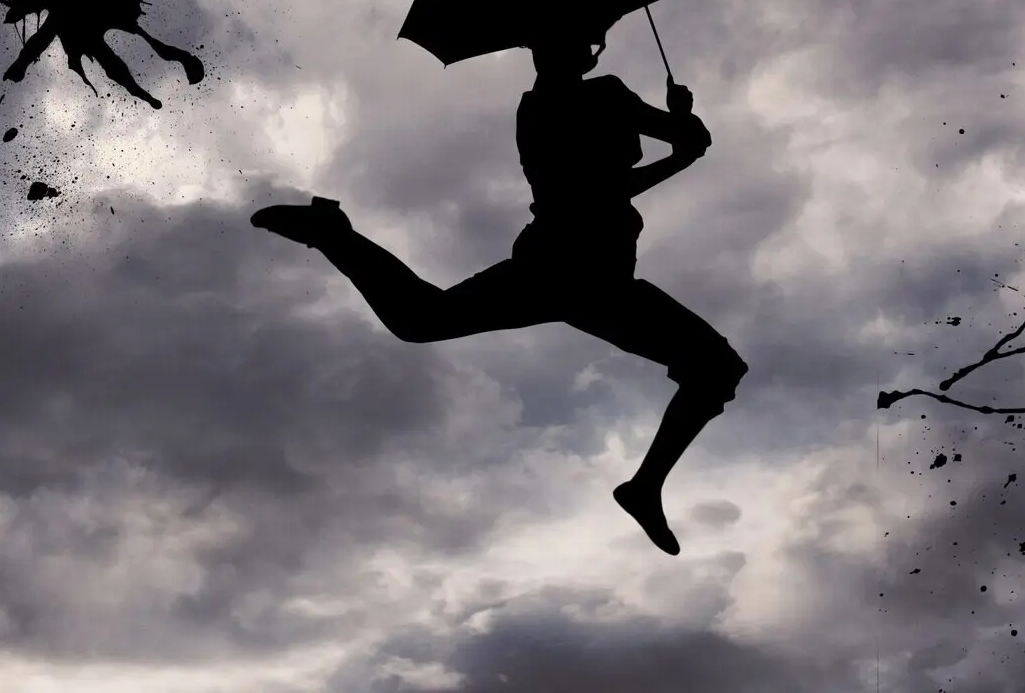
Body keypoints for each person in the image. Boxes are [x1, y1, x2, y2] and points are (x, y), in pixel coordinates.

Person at [251, 28, 748, 555]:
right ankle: (644, 488)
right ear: (577, 51)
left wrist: (681, 135)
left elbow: (646, 162)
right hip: (579, 270)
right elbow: (621, 179)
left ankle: (333, 234)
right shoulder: (595, 98)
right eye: (583, 42)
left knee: (422, 319)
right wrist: (682, 138)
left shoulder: (545, 107)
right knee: (715, 368)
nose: (586, 50)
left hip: (579, 271)